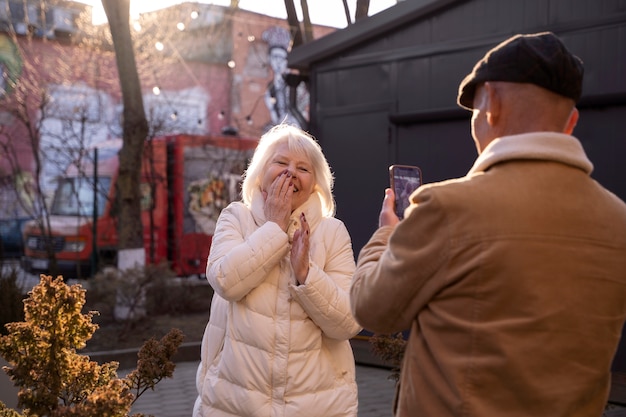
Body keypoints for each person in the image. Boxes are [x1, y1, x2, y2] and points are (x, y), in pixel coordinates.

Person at [350, 31, 626, 417]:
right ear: (571, 121)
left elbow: (372, 309)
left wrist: (385, 235)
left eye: (475, 108)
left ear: (491, 105)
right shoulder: (618, 221)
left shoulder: (447, 207)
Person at [193, 123, 361, 417]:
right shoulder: (236, 218)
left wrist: (306, 274)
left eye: (303, 168)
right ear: (260, 173)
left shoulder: (333, 232)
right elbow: (225, 281)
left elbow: (348, 322)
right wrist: (273, 228)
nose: (290, 173)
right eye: (281, 163)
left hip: (318, 405)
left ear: (316, 184)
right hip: (234, 402)